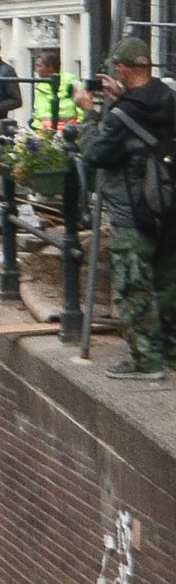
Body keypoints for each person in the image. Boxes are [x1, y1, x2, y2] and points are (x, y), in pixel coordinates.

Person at [79, 38, 176, 379]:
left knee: (134, 289)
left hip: (134, 212)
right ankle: (170, 352)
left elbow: (96, 155)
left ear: (121, 69)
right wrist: (123, 101)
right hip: (167, 208)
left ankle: (146, 363)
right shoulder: (167, 98)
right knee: (167, 284)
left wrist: (90, 114)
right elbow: (146, 124)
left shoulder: (122, 115)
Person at [29, 49, 78, 133]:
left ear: (50, 67)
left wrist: (77, 125)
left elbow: (80, 106)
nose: (36, 70)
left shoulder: (71, 82)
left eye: (39, 66)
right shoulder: (40, 85)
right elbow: (38, 112)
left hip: (67, 131)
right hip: (43, 131)